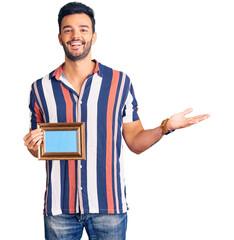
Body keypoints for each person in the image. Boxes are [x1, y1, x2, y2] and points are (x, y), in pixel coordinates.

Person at [23, 2, 210, 240]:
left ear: (94, 35)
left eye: (83, 28)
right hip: (59, 208)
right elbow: (41, 146)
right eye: (68, 30)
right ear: (59, 37)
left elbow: (134, 141)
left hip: (109, 208)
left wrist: (165, 128)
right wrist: (32, 147)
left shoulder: (120, 83)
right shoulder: (40, 89)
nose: (75, 35)